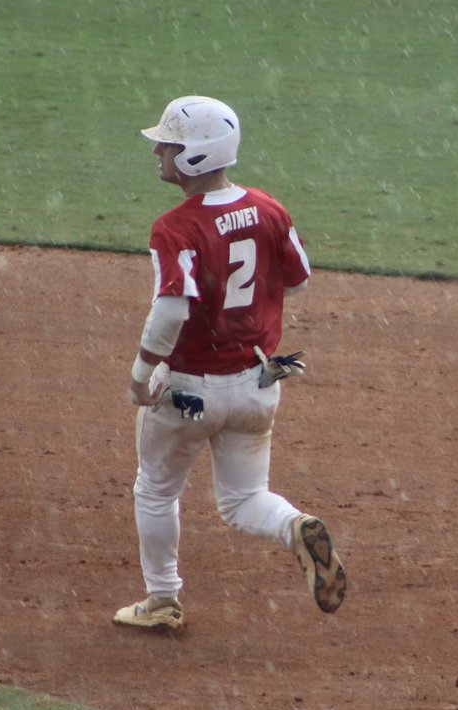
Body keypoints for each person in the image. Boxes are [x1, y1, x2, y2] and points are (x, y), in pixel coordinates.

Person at [113, 95, 347, 631]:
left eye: (167, 147)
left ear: (193, 156)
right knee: (245, 500)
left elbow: (171, 309)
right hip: (256, 385)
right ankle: (296, 527)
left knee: (155, 489)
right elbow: (299, 276)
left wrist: (140, 371)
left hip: (189, 390)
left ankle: (163, 600)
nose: (159, 156)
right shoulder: (269, 208)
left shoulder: (175, 227)